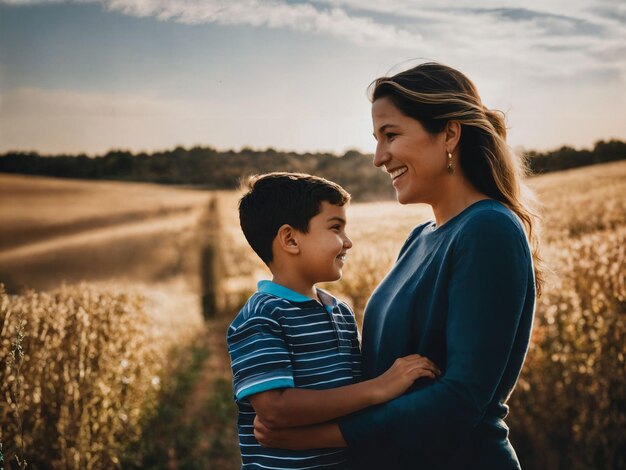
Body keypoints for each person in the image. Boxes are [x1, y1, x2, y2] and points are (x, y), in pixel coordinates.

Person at [253, 63, 544, 470]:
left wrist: (311, 437)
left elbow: (460, 400)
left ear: (449, 134)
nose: (378, 157)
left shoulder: (488, 229)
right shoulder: (420, 237)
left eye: (391, 135)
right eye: (377, 139)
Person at [227, 172, 441, 470]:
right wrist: (379, 388)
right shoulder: (262, 317)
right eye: (336, 228)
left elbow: (349, 397)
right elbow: (275, 409)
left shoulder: (340, 312)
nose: (348, 242)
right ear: (290, 239)